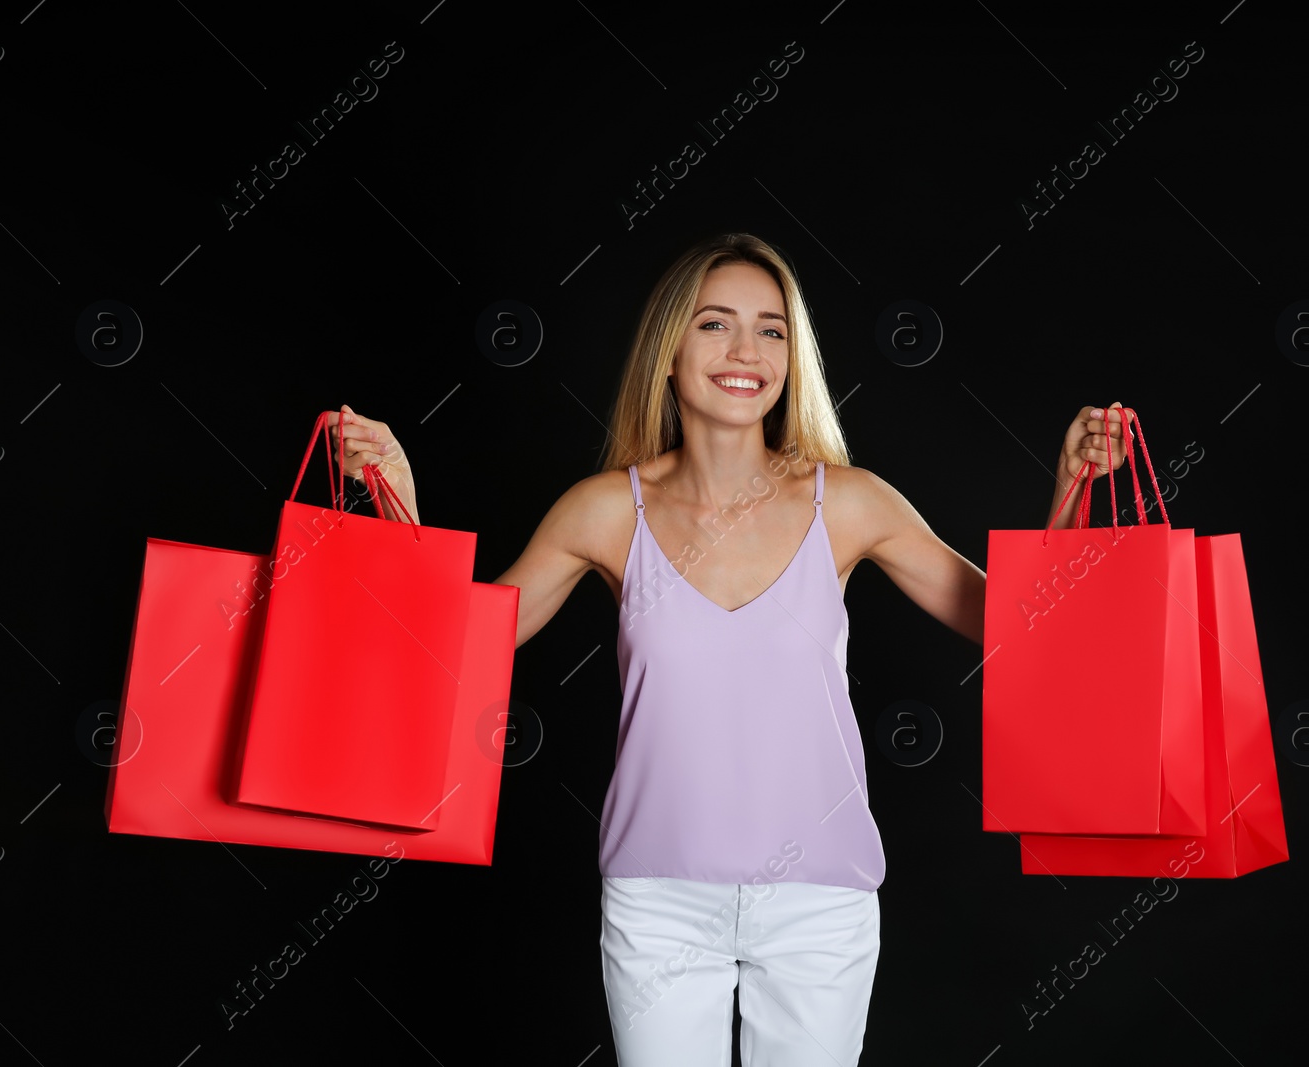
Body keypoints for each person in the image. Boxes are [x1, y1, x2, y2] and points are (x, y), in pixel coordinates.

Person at [320, 233, 1127, 1066]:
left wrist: (1067, 504)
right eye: (716, 324)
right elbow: (452, 644)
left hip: (821, 901)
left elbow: (1020, 626)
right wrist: (399, 506)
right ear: (668, 349)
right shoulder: (603, 511)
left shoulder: (847, 503)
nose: (747, 352)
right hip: (657, 901)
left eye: (772, 330)